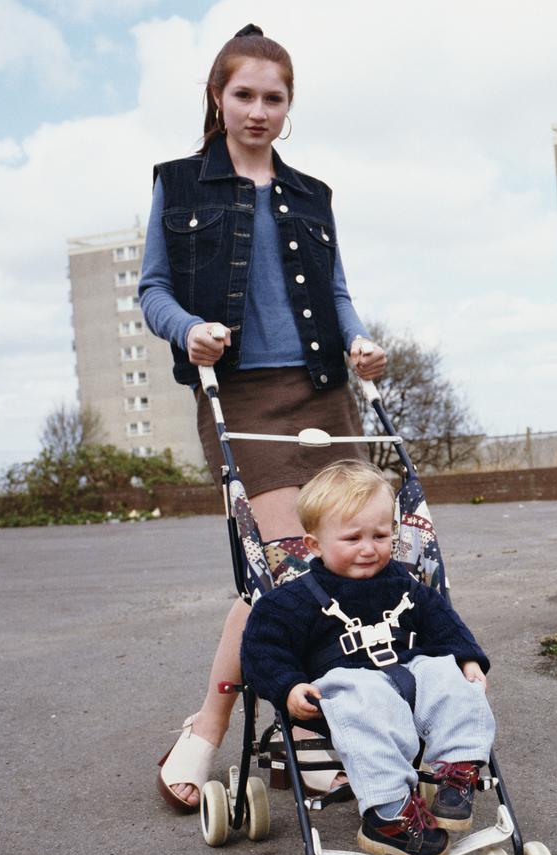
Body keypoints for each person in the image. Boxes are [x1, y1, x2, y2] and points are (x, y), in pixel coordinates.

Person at [140, 24, 387, 812]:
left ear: (289, 107)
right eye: (243, 94)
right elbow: (152, 291)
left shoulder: (311, 195)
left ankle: (303, 728)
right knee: (282, 565)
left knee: (341, 562)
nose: (257, 109)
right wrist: (190, 330)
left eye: (272, 97)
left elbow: (338, 294)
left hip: (323, 394)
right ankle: (210, 726)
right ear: (218, 97)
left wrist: (360, 343)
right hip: (241, 395)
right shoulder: (179, 186)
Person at [241, 461, 495, 855]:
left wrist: (467, 660)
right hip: (343, 692)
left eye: (380, 535)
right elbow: (263, 650)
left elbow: (445, 624)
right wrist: (288, 686)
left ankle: (457, 769)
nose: (369, 548)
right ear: (314, 545)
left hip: (409, 674)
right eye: (352, 538)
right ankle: (388, 812)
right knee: (365, 690)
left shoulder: (405, 586)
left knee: (445, 673)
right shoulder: (289, 602)